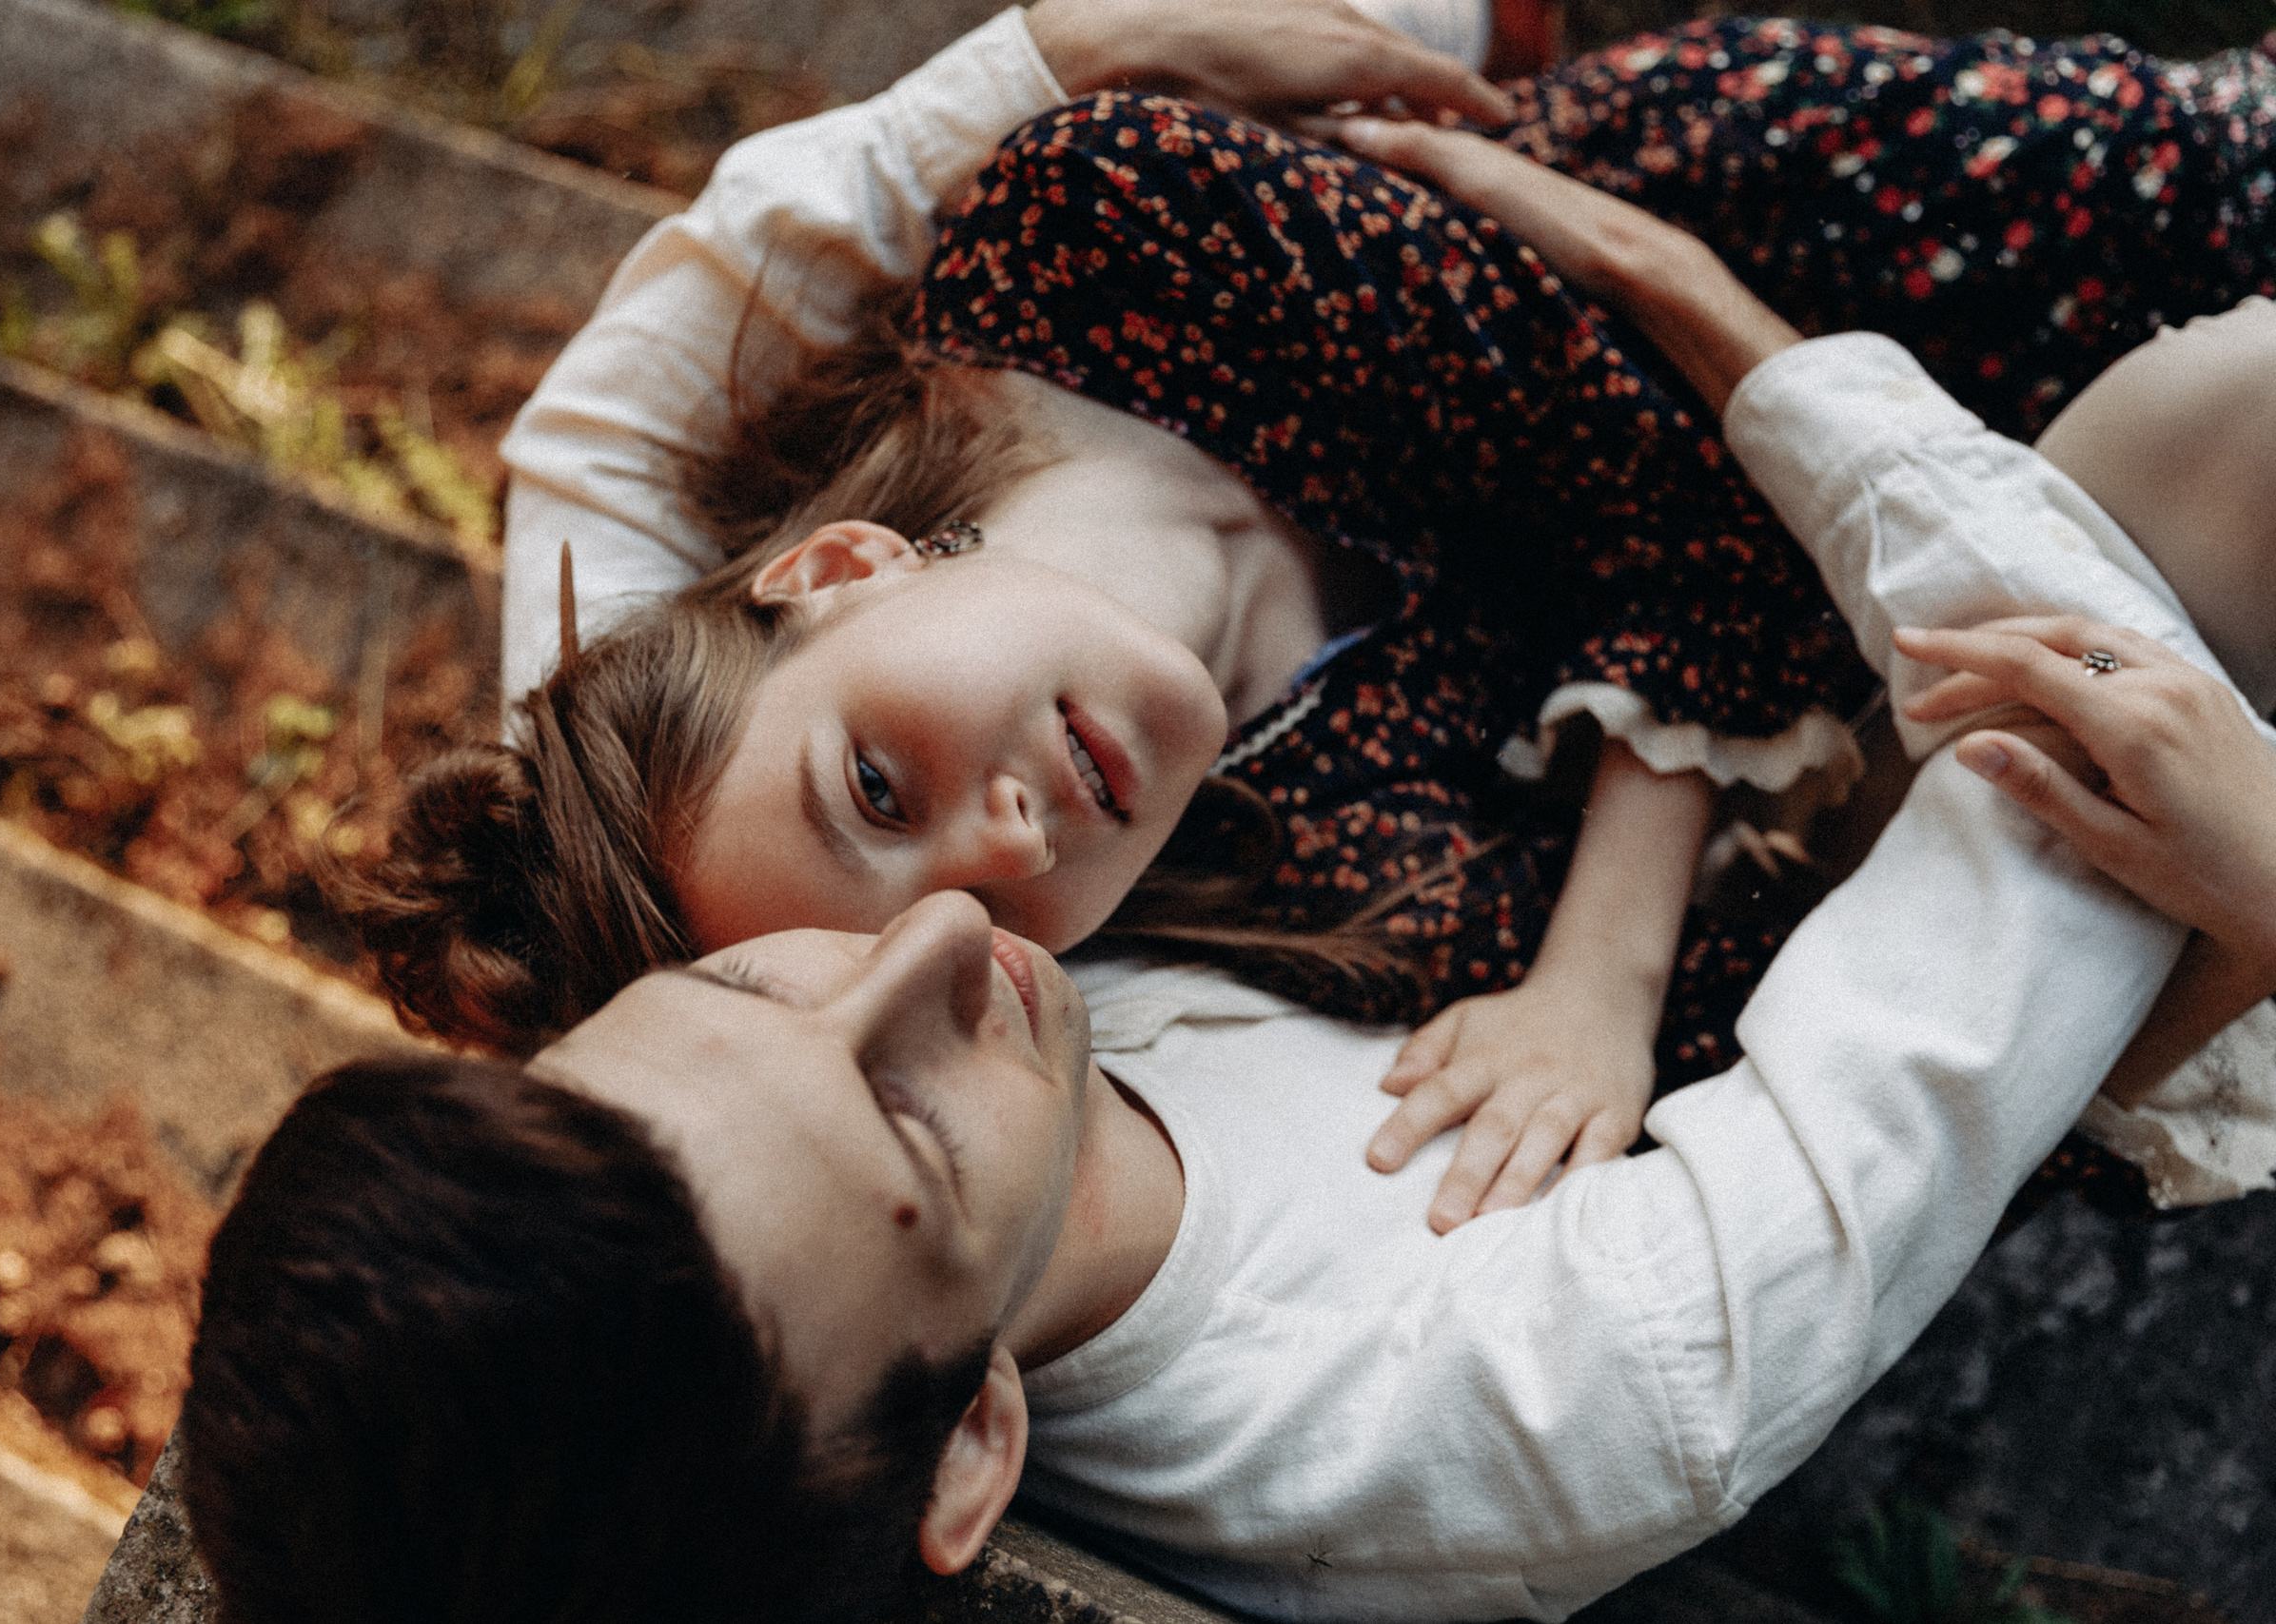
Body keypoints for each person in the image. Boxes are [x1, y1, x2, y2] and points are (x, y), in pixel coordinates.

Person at [183, 139, 2276, 1622]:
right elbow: (2073, 781)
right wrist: (1710, 322)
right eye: (904, 1117)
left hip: (1655, 613)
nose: (936, 940)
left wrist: (1057, 42)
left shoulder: (728, 1079)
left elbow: (602, 450)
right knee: (2225, 423)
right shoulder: (1524, 1401)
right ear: (973, 1447)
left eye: (743, 990)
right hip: (1946, 799)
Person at [343, 0, 2276, 1227]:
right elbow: (1776, 968)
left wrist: (1595, 966)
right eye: (970, 919)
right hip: (1987, 555)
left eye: (873, 780)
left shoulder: (1103, 241)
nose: (1002, 844)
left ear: (840, 577)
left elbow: (1693, 488)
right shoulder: (1277, 883)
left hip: (1849, 241)